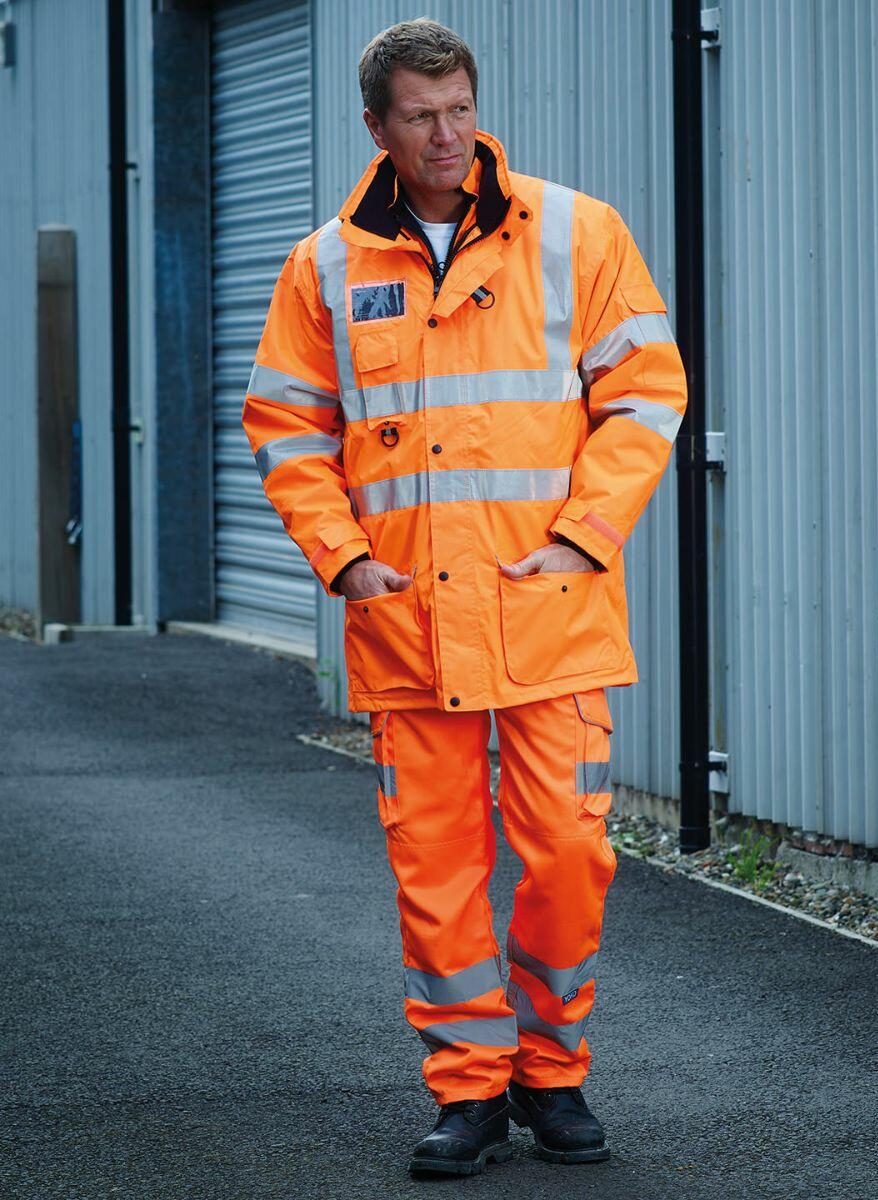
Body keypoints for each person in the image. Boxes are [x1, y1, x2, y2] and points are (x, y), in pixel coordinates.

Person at [242, 17, 687, 1179]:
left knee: (567, 855)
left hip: (549, 609)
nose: (447, 136)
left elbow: (645, 396)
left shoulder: (576, 233)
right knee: (435, 868)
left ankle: (554, 1070)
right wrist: (344, 563)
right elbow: (289, 433)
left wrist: (585, 541)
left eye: (460, 109)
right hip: (405, 618)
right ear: (376, 126)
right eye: (421, 116)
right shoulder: (324, 267)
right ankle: (470, 1093)